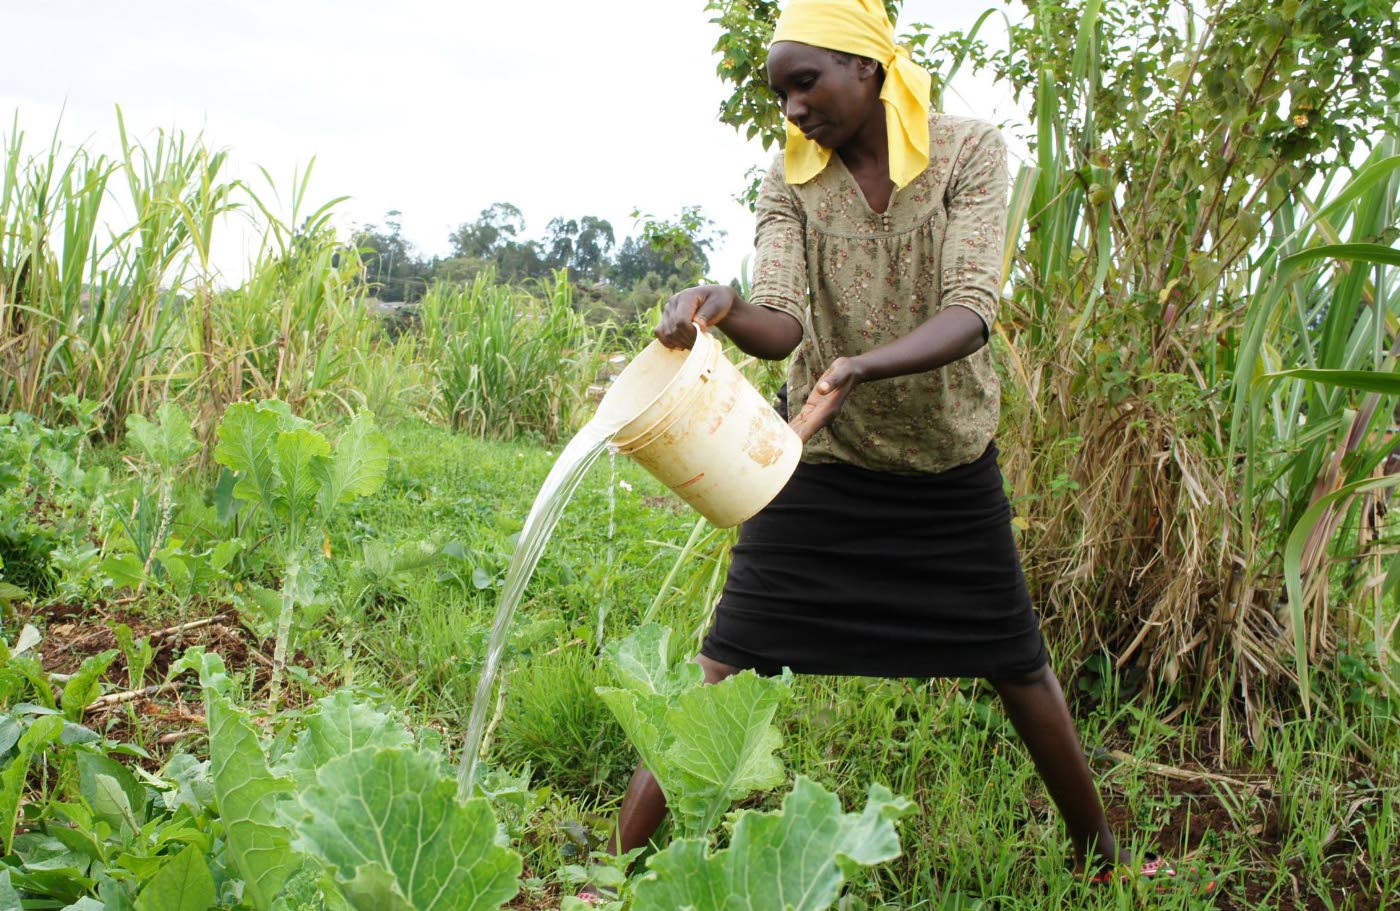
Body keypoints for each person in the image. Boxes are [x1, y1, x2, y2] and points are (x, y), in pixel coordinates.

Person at [581, 0, 1179, 900]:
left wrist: (861, 362)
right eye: (780, 90)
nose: (792, 107)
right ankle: (613, 872)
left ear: (869, 68)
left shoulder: (969, 153)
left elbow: (973, 307)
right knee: (727, 653)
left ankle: (1104, 856)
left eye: (806, 81)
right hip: (819, 464)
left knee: (1015, 660)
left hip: (946, 463)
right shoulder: (790, 182)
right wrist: (720, 304)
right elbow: (780, 327)